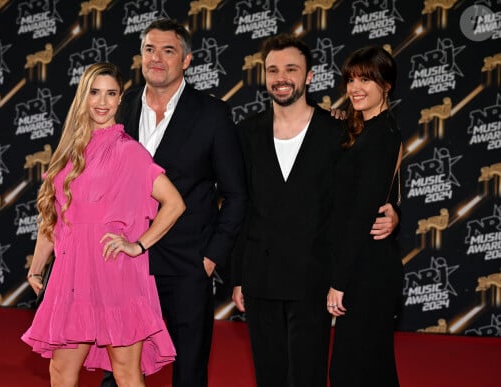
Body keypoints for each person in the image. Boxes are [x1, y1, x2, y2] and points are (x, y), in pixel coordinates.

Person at [231, 34, 400, 387]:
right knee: (269, 376)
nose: (281, 77)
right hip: (260, 277)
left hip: (313, 277)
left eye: (291, 69)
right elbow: (238, 204)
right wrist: (237, 276)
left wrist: (393, 211)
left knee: (310, 377)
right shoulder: (245, 133)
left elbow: (365, 190)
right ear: (263, 76)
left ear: (309, 76)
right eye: (273, 69)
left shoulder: (339, 130)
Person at [101, 19, 247, 387]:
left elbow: (236, 194)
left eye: (168, 50)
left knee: (188, 370)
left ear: (186, 60)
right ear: (140, 57)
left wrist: (211, 257)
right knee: (116, 367)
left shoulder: (213, 114)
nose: (157, 58)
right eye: (150, 49)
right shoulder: (122, 107)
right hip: (122, 262)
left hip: (186, 263)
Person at [21, 62, 186, 387]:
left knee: (125, 373)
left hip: (115, 276)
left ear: (120, 99)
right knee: (60, 371)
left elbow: (175, 204)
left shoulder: (130, 152)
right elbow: (54, 218)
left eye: (111, 93)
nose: (102, 101)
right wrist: (37, 266)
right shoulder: (68, 153)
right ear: (83, 96)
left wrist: (138, 245)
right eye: (95, 92)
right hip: (71, 278)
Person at [326, 45, 403, 387]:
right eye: (350, 79)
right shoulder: (365, 130)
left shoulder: (382, 136)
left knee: (353, 371)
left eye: (366, 80)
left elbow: (362, 212)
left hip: (367, 271)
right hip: (366, 264)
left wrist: (339, 282)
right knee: (371, 369)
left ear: (386, 85)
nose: (355, 87)